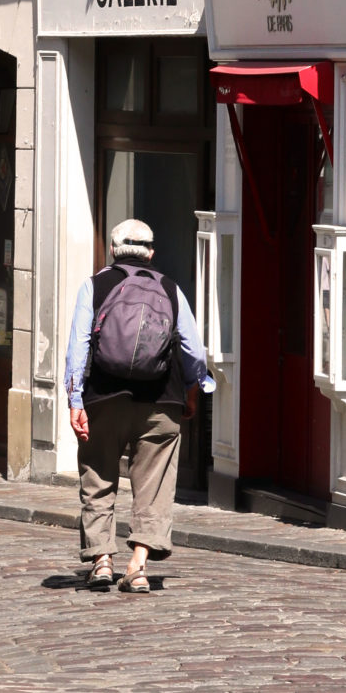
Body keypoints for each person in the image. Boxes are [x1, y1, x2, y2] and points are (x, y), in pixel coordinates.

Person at [64, 217, 214, 593]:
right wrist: (196, 387)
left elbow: (78, 347)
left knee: (98, 478)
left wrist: (75, 399)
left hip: (104, 399)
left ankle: (101, 560)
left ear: (112, 251)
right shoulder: (170, 289)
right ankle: (138, 565)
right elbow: (193, 350)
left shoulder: (94, 286)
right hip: (161, 401)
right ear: (151, 252)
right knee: (155, 486)